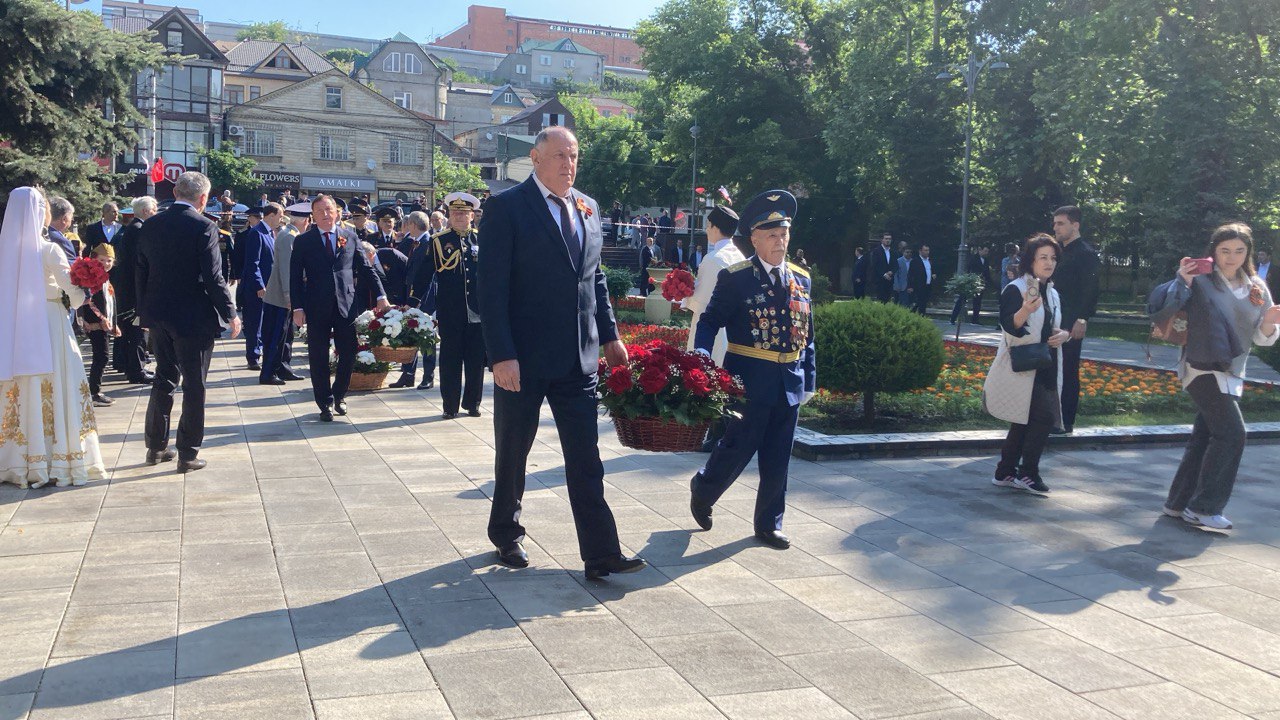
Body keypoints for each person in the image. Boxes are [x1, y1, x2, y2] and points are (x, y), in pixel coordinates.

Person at [478, 126, 644, 580]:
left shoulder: (587, 208)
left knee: (586, 456)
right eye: (559, 157)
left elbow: (596, 279)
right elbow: (490, 290)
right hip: (523, 360)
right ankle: (506, 532)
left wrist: (610, 335)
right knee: (514, 450)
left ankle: (601, 552)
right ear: (535, 158)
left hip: (578, 358)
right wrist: (501, 355)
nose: (568, 165)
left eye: (574, 157)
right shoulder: (507, 208)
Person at [689, 190, 816, 550]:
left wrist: (809, 377)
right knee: (736, 448)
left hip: (788, 381)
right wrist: (701, 354)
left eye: (785, 234)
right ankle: (704, 488)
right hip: (747, 381)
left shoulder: (800, 279)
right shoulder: (737, 278)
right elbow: (710, 320)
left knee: (778, 456)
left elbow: (808, 334)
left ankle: (768, 523)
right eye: (772, 235)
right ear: (755, 239)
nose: (781, 242)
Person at [1149, 223, 1280, 530]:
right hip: (1201, 367)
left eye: (1239, 251)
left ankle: (1177, 503)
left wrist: (1270, 323)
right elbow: (1166, 308)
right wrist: (1183, 278)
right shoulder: (1202, 280)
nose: (1231, 257)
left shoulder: (1257, 287)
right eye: (1225, 251)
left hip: (1233, 370)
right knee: (1233, 434)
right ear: (1214, 251)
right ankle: (1205, 507)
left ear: (1247, 252)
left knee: (1205, 436)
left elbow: (1262, 340)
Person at [0, 187, 106, 488]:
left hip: (14, 325)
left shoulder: (5, 250)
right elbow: (73, 295)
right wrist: (84, 290)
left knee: (22, 385)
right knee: (57, 382)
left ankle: (18, 459)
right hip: (48, 322)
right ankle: (57, 455)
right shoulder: (49, 249)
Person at [137, 172, 241, 473]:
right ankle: (187, 453)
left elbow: (140, 270)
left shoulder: (151, 223)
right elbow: (213, 277)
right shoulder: (204, 226)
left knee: (163, 379)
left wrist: (144, 313)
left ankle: (155, 447)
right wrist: (231, 313)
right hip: (193, 318)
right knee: (194, 385)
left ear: (175, 190)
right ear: (204, 198)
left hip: (159, 315)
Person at [983, 234, 1070, 495]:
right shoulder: (1016, 288)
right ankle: (1028, 473)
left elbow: (1049, 326)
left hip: (1045, 362)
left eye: (1053, 258)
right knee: (1042, 418)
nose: (1049, 262)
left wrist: (1063, 334)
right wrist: (1025, 311)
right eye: (1043, 257)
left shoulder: (1052, 292)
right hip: (1022, 365)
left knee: (1023, 420)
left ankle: (1005, 471)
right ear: (1030, 260)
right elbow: (1009, 325)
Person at [290, 195, 389, 422]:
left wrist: (381, 295)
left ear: (337, 213)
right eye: (320, 211)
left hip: (346, 305)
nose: (325, 214)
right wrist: (297, 307)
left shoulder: (350, 236)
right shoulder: (304, 241)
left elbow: (366, 269)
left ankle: (339, 395)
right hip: (316, 306)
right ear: (312, 215)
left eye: (329, 210)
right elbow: (295, 277)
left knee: (349, 353)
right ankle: (324, 402)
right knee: (318, 356)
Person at [411, 192, 485, 419]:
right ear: (449, 216)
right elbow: (425, 272)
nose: (460, 217)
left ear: (472, 215)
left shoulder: (481, 239)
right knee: (450, 359)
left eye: (464, 213)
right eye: (455, 213)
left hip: (477, 310)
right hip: (451, 310)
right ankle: (449, 405)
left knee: (475, 360)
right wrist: (413, 302)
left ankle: (473, 403)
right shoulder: (439, 241)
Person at [1050, 205, 1100, 434]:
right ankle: (1050, 417)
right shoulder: (1058, 251)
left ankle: (1065, 420)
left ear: (1075, 225)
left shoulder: (1086, 253)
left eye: (1060, 223)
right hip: (1054, 318)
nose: (1055, 227)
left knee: (1068, 369)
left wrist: (1082, 319)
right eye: (1055, 223)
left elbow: (1090, 289)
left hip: (1071, 321)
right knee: (1052, 368)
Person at [683, 206, 743, 364]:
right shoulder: (740, 257)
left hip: (711, 329)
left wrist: (681, 292)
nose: (706, 229)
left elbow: (701, 300)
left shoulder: (713, 259)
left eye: (708, 225)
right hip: (735, 329)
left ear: (716, 228)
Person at [112, 196, 155, 385]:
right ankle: (136, 371)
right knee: (135, 332)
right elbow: (140, 264)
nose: (155, 214)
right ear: (146, 211)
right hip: (133, 291)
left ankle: (134, 367)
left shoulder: (133, 228)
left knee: (132, 332)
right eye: (153, 210)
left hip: (128, 288)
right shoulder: (139, 230)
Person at [257, 203, 300, 385]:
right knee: (275, 336)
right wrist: (289, 295)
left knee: (286, 335)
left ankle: (283, 368)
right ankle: (268, 373)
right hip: (280, 298)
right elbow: (286, 268)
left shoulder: (292, 235)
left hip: (283, 297)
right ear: (305, 219)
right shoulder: (288, 237)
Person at [396, 211, 439, 390]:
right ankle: (408, 374)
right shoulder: (416, 243)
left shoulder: (428, 243)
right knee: (411, 335)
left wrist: (418, 300)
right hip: (413, 296)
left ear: (413, 225)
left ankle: (428, 375)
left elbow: (427, 277)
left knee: (427, 337)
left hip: (425, 298)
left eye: (408, 225)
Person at [80, 244, 120, 406]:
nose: (106, 263)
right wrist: (100, 320)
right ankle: (94, 392)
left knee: (102, 356)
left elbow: (111, 303)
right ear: (93, 259)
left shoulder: (105, 277)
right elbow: (88, 302)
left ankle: (94, 390)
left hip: (104, 323)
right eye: (102, 260)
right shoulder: (92, 277)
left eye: (109, 260)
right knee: (102, 356)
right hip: (96, 324)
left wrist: (113, 323)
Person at [239, 204, 275, 371]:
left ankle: (258, 352)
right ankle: (253, 357)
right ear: (271, 215)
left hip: (269, 287)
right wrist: (259, 284)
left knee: (263, 322)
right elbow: (253, 263)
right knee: (254, 322)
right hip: (256, 288)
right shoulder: (257, 233)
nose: (281, 219)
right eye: (280, 215)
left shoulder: (269, 233)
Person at [951, 246, 992, 324]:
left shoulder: (986, 260)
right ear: (980, 250)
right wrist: (969, 280)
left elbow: (987, 273)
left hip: (980, 283)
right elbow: (968, 269)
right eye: (985, 251)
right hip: (970, 282)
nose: (986, 253)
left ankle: (975, 320)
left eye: (987, 251)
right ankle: (953, 318)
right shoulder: (973, 258)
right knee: (962, 299)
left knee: (977, 302)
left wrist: (988, 282)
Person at [46, 196, 77, 264]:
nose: (71, 221)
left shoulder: (35, 233)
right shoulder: (62, 242)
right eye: (71, 218)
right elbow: (72, 271)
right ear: (64, 219)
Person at [907, 244, 936, 315]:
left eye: (928, 250)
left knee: (923, 303)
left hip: (928, 285)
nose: (927, 252)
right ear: (920, 251)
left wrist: (933, 275)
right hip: (919, 286)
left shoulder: (929, 260)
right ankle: (919, 315)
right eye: (925, 250)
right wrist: (910, 286)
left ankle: (918, 314)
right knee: (920, 303)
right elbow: (910, 274)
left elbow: (930, 271)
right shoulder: (915, 261)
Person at [869, 233, 895, 302]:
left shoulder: (893, 252)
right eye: (886, 239)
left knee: (888, 299)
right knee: (881, 300)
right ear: (882, 240)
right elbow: (875, 265)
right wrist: (884, 274)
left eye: (889, 239)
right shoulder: (876, 251)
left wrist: (892, 271)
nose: (888, 240)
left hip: (890, 280)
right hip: (879, 280)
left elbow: (896, 265)